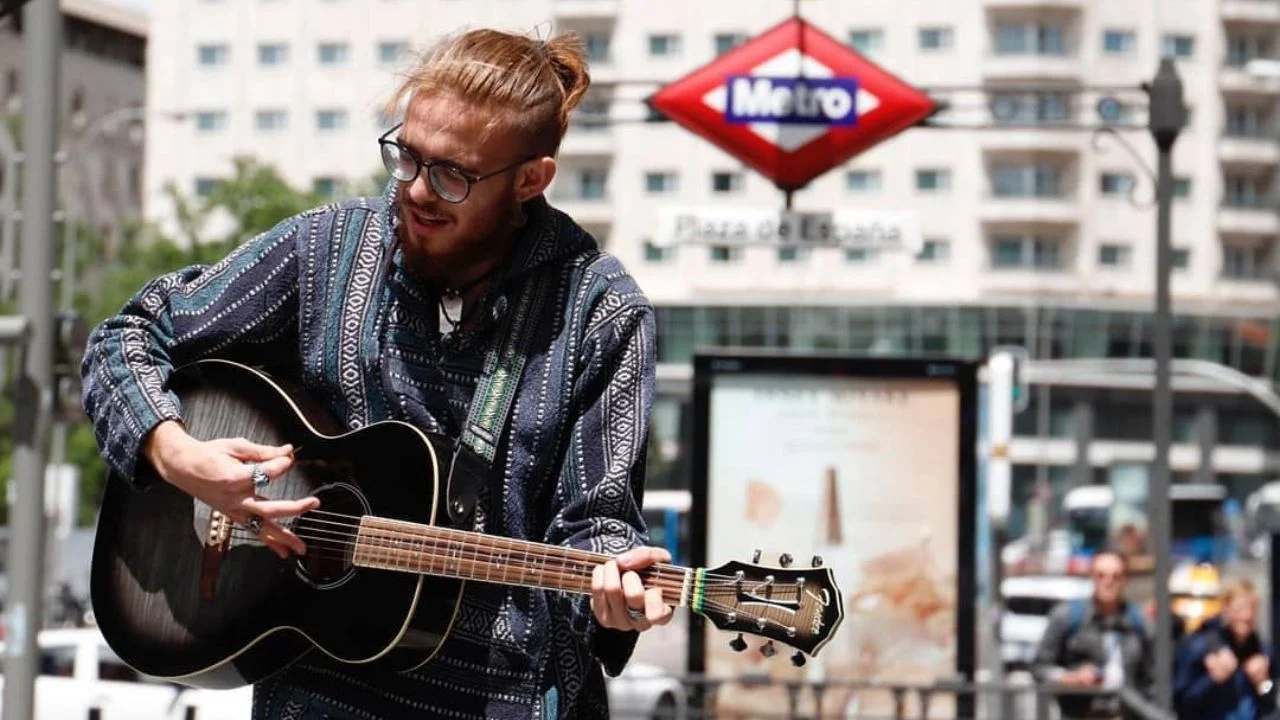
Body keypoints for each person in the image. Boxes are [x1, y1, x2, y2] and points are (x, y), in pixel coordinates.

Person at [80, 27, 669, 719]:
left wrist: (617, 593)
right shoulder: (328, 248)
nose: (417, 191)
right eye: (407, 156)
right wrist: (176, 454)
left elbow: (596, 527)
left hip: (504, 696)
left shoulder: (602, 313)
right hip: (314, 696)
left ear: (530, 180)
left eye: (453, 174)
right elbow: (131, 333)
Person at [1033, 550, 1154, 719]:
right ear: (1092, 577)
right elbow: (1040, 668)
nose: (1108, 582)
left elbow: (1152, 677)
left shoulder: (1138, 622)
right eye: (1101, 575)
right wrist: (1072, 678)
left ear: (1125, 579)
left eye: (1116, 576)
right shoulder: (1068, 616)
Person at [1174, 578, 1277, 720]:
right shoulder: (1201, 648)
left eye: (1252, 608)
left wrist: (1263, 683)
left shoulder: (1262, 652)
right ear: (1225, 609)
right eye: (1240, 609)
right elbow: (1181, 703)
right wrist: (1211, 680)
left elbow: (1272, 706)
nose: (1247, 616)